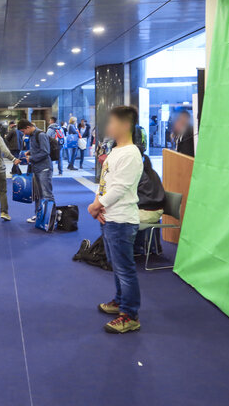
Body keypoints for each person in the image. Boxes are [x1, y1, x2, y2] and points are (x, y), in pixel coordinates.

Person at [87, 105, 144, 334]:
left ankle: (129, 315)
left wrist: (96, 205)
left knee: (125, 269)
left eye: (112, 122)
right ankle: (120, 301)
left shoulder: (131, 153)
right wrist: (97, 204)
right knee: (117, 266)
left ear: (126, 125)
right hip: (109, 217)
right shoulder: (115, 151)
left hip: (122, 220)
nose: (108, 127)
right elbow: (105, 182)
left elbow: (119, 189)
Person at [17, 120, 54, 223]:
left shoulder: (41, 134)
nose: (24, 133)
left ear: (28, 127)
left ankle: (49, 218)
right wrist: (30, 152)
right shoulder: (33, 135)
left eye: (23, 131)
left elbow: (45, 152)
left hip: (44, 169)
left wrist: (31, 158)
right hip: (36, 168)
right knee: (37, 194)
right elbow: (38, 149)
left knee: (46, 194)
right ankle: (39, 215)